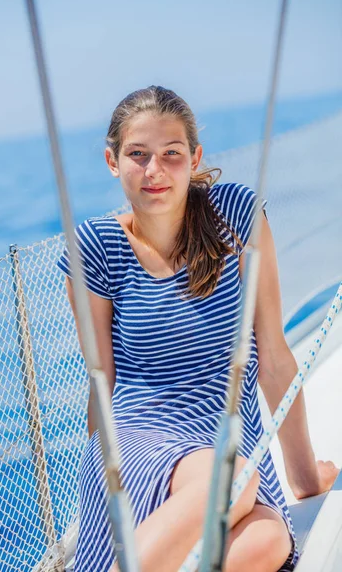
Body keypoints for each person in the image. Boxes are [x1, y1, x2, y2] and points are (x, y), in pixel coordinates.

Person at [57, 85, 339, 572]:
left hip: (230, 430)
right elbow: (101, 382)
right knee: (229, 481)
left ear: (195, 157)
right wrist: (103, 488)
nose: (154, 171)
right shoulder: (96, 246)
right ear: (112, 161)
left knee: (266, 544)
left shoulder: (235, 216)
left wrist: (307, 479)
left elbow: (272, 357)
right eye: (138, 155)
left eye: (171, 154)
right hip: (140, 435)